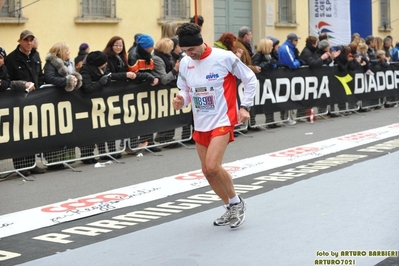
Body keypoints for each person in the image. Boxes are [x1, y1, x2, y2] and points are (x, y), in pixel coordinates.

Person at [173, 23, 257, 229]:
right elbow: (184, 90)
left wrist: (245, 106)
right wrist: (181, 100)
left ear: (200, 42)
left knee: (212, 165)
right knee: (207, 171)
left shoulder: (224, 57)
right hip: (201, 122)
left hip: (223, 119)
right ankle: (230, 206)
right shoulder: (185, 63)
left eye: (191, 49)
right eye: (184, 50)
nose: (188, 54)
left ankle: (237, 203)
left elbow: (250, 79)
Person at [102, 36, 156, 157]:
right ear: (111, 46)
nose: (119, 47)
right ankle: (112, 150)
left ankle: (130, 145)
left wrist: (148, 77)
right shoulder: (106, 57)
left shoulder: (123, 57)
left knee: (128, 118)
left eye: (121, 45)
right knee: (112, 122)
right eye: (116, 45)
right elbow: (108, 75)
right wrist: (125, 74)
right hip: (110, 93)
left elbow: (133, 74)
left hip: (123, 92)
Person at [5, 30, 46, 174]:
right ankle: (21, 166)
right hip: (18, 100)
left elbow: (40, 75)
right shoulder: (11, 59)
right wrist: (23, 84)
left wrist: (39, 87)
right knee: (19, 132)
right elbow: (8, 81)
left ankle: (31, 163)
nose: (29, 43)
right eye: (26, 40)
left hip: (35, 99)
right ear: (20, 41)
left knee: (32, 132)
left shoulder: (35, 55)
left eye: (31, 40)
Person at [43, 42, 82, 169]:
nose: (69, 53)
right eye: (67, 50)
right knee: (54, 131)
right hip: (54, 100)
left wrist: (76, 79)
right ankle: (54, 160)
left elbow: (72, 75)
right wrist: (67, 81)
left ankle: (67, 158)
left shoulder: (69, 63)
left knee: (66, 129)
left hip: (66, 101)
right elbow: (49, 78)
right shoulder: (51, 64)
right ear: (60, 51)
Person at [128, 34, 161, 152]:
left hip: (146, 88)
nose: (152, 48)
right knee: (136, 117)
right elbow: (133, 74)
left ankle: (148, 141)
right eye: (150, 46)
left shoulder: (148, 55)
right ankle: (133, 144)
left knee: (148, 116)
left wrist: (155, 77)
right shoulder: (133, 55)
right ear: (145, 47)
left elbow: (151, 69)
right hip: (136, 90)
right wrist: (148, 77)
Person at [79, 51, 111, 164]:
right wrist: (100, 83)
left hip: (99, 103)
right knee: (89, 130)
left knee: (101, 127)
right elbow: (87, 88)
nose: (106, 63)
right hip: (87, 104)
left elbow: (111, 76)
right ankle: (87, 155)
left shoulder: (102, 69)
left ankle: (102, 152)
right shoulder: (85, 70)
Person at [152, 38, 182, 149]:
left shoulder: (168, 57)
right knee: (164, 113)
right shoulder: (157, 59)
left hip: (170, 89)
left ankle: (167, 137)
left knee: (171, 112)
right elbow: (164, 78)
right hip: (162, 90)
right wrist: (175, 70)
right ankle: (163, 137)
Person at [234, 26, 261, 131]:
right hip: (241, 78)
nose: (251, 36)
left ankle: (249, 123)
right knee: (242, 100)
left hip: (245, 77)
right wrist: (253, 68)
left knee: (247, 99)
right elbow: (242, 65)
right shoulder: (239, 46)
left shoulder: (245, 45)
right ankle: (240, 123)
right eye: (250, 34)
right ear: (246, 36)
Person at [252, 38, 279, 128]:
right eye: (270, 45)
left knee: (269, 101)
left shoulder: (269, 55)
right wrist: (267, 63)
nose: (272, 47)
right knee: (256, 102)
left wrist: (274, 63)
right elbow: (256, 67)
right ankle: (252, 123)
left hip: (268, 81)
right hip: (260, 81)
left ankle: (270, 121)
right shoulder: (258, 55)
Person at [277, 33, 302, 125]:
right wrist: (298, 62)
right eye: (296, 40)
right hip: (286, 75)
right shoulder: (286, 48)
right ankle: (285, 118)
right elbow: (292, 64)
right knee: (287, 96)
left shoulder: (288, 48)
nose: (297, 42)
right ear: (292, 41)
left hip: (286, 74)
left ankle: (286, 117)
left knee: (286, 96)